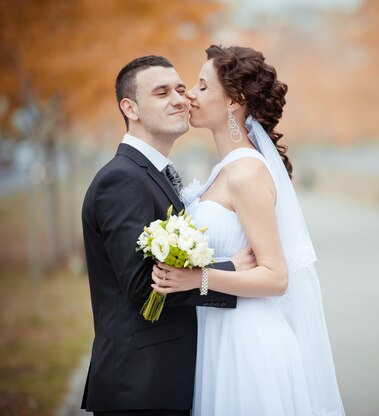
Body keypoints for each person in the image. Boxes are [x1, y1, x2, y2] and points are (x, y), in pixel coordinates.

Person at [151, 45, 345, 416]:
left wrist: (197, 278)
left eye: (203, 87)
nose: (189, 93)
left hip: (247, 343)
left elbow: (276, 277)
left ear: (234, 101)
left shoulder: (247, 172)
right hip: (217, 334)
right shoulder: (224, 169)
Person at [81, 55, 255, 416]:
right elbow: (145, 286)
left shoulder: (152, 174)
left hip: (161, 381)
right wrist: (230, 270)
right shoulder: (122, 180)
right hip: (140, 388)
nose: (180, 98)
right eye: (161, 92)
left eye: (180, 88)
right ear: (130, 108)